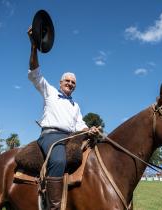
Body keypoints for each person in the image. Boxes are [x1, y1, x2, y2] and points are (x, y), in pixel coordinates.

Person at [27, 27, 99, 210]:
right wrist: (34, 46)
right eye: (67, 81)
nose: (70, 84)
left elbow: (80, 125)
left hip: (70, 137)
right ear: (60, 83)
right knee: (59, 160)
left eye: (73, 83)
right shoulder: (49, 91)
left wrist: (89, 129)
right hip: (50, 136)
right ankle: (54, 207)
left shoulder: (75, 106)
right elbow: (35, 73)